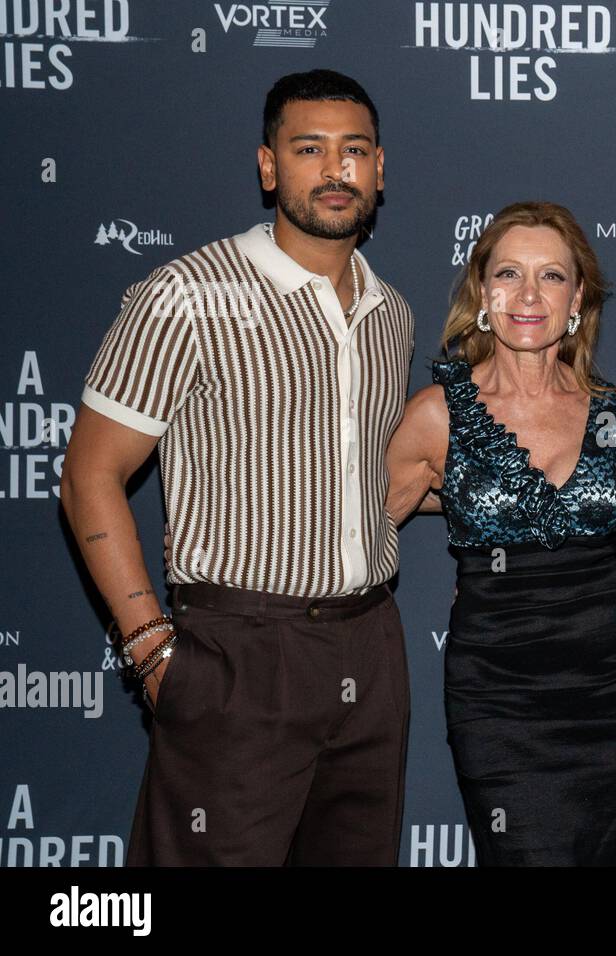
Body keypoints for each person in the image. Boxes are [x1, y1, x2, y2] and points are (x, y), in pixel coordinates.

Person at [61, 69, 414, 866]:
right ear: (268, 167)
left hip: (372, 649)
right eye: (309, 149)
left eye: (354, 150)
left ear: (380, 170)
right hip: (241, 650)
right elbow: (89, 474)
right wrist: (151, 647)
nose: (335, 170)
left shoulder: (390, 311)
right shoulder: (187, 294)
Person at [386, 201, 616, 866]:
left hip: (610, 693)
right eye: (509, 273)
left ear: (578, 297)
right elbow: (346, 539)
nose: (529, 295)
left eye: (552, 277)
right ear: (483, 291)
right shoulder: (436, 417)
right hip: (498, 698)